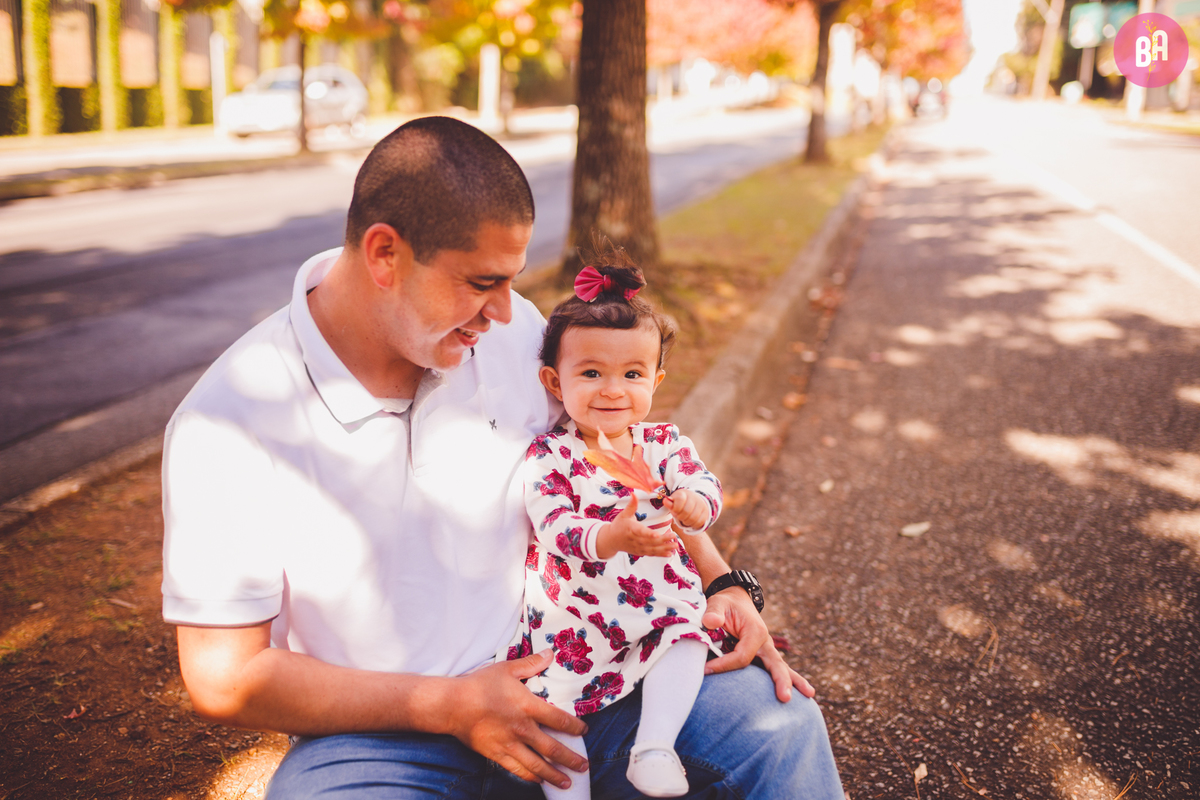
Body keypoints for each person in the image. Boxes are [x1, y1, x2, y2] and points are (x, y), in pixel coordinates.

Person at [160, 115, 845, 799]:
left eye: (510, 282)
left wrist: (723, 585)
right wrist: (444, 706)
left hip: (582, 679)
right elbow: (226, 677)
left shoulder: (515, 336)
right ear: (384, 255)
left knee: (778, 728)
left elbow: (621, 468)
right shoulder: (229, 422)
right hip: (385, 736)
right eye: (481, 282)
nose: (502, 310)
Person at [512, 251, 730, 799]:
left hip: (656, 606)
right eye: (591, 373)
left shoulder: (663, 445)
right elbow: (555, 525)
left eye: (632, 374)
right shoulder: (550, 455)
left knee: (687, 636)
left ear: (656, 379)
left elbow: (702, 484)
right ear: (553, 381)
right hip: (574, 618)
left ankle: (653, 747)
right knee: (552, 710)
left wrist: (695, 505)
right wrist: (611, 537)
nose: (613, 389)